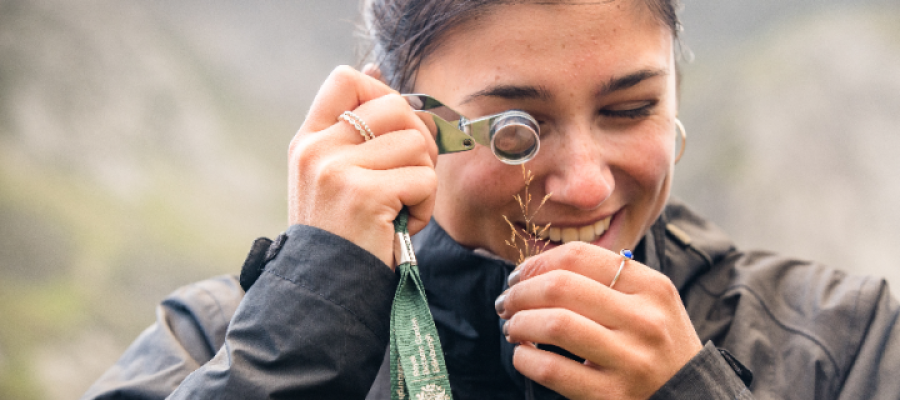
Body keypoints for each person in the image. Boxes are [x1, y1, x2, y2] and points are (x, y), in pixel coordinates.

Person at [82, 0, 900, 399]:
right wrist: (308, 322)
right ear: (392, 117)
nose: (584, 184)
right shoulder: (217, 340)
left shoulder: (847, 341)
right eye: (514, 129)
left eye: (630, 109)